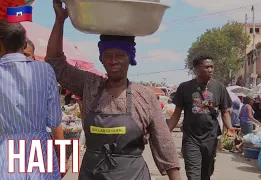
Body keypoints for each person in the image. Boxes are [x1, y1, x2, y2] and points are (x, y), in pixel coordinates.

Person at [45, 1, 181, 179]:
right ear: (101, 58)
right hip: (92, 174)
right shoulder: (90, 84)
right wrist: (60, 20)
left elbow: (164, 143)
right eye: (108, 55)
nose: (113, 60)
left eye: (120, 56)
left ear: (130, 58)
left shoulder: (144, 95)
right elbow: (55, 63)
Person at [0, 20, 67, 179]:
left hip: (6, 152)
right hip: (40, 152)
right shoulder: (45, 70)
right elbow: (54, 119)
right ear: (24, 45)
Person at [167, 52, 234, 179]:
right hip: (191, 139)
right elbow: (176, 114)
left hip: (211, 138)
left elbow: (225, 112)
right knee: (193, 175)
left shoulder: (219, 87)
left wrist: (230, 129)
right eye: (206, 67)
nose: (210, 70)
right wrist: (165, 133)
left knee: (206, 174)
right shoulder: (185, 87)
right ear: (196, 68)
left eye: (212, 67)